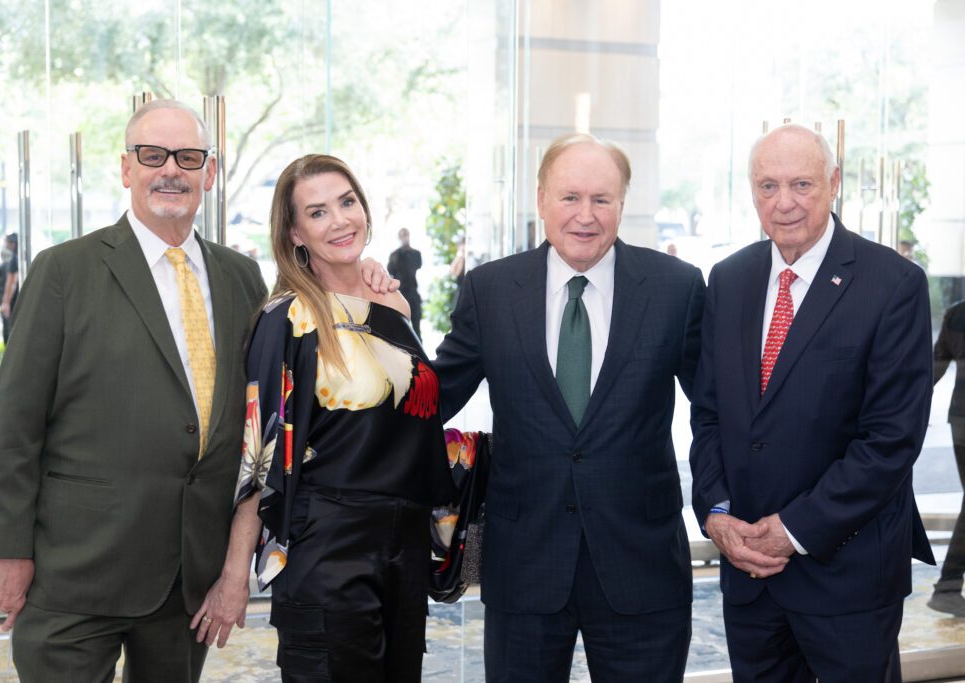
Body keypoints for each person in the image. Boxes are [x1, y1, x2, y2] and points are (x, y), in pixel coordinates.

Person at [0, 99, 270, 682]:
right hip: (75, 571)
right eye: (152, 154)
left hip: (187, 578)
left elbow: (255, 428)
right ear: (126, 168)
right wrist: (9, 550)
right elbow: (16, 422)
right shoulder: (64, 270)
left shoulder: (242, 277)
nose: (171, 170)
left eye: (188, 157)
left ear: (209, 173)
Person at [433, 133, 705, 682]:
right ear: (540, 200)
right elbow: (432, 398)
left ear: (622, 204)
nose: (586, 215)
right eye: (569, 197)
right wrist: (377, 318)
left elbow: (720, 408)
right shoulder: (490, 290)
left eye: (602, 200)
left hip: (642, 564)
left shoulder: (677, 288)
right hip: (525, 564)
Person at [192, 154, 454, 682]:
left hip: (402, 546)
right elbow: (259, 453)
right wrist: (234, 574)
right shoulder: (286, 319)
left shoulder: (394, 303)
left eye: (347, 202)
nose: (339, 220)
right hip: (329, 545)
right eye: (318, 212)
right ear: (294, 233)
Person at [690, 124, 934, 682]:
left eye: (801, 183)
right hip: (749, 573)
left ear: (834, 184)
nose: (784, 202)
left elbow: (891, 440)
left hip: (846, 575)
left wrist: (793, 529)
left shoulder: (892, 284)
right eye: (767, 186)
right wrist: (719, 513)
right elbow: (708, 414)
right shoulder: (729, 280)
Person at [930, 299, 965, 617]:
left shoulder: (957, 312)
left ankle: (948, 585)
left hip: (961, 423)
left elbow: (934, 368)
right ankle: (948, 586)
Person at [387, 227, 423, 337]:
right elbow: (390, 272)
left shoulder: (416, 253)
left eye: (406, 235)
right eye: (402, 236)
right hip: (400, 293)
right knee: (401, 326)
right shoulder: (394, 255)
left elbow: (417, 266)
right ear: (399, 238)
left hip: (413, 292)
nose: (404, 238)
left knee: (416, 326)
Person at [0, 233, 18, 343]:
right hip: (9, 300)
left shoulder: (13, 258)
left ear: (12, 244)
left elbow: (12, 281)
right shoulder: (9, 258)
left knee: (9, 331)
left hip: (11, 301)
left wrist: (6, 302)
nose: (4, 244)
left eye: (6, 242)